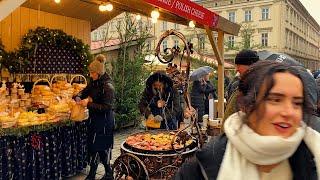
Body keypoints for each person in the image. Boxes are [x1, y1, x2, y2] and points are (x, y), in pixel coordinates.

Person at [175, 61, 320, 179]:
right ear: (248, 106)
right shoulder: (201, 168)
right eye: (275, 99)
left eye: (297, 102)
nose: (289, 112)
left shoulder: (313, 152)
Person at [75, 54, 114, 180]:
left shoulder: (108, 86)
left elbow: (107, 107)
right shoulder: (94, 82)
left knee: (100, 147)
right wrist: (78, 96)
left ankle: (103, 173)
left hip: (104, 122)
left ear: (98, 72)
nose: (90, 75)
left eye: (92, 73)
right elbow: (85, 91)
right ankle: (103, 173)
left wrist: (89, 104)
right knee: (94, 147)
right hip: (94, 120)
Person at [224, 49, 259, 120]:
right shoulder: (242, 84)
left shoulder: (256, 88)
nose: (236, 69)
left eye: (238, 65)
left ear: (250, 66)